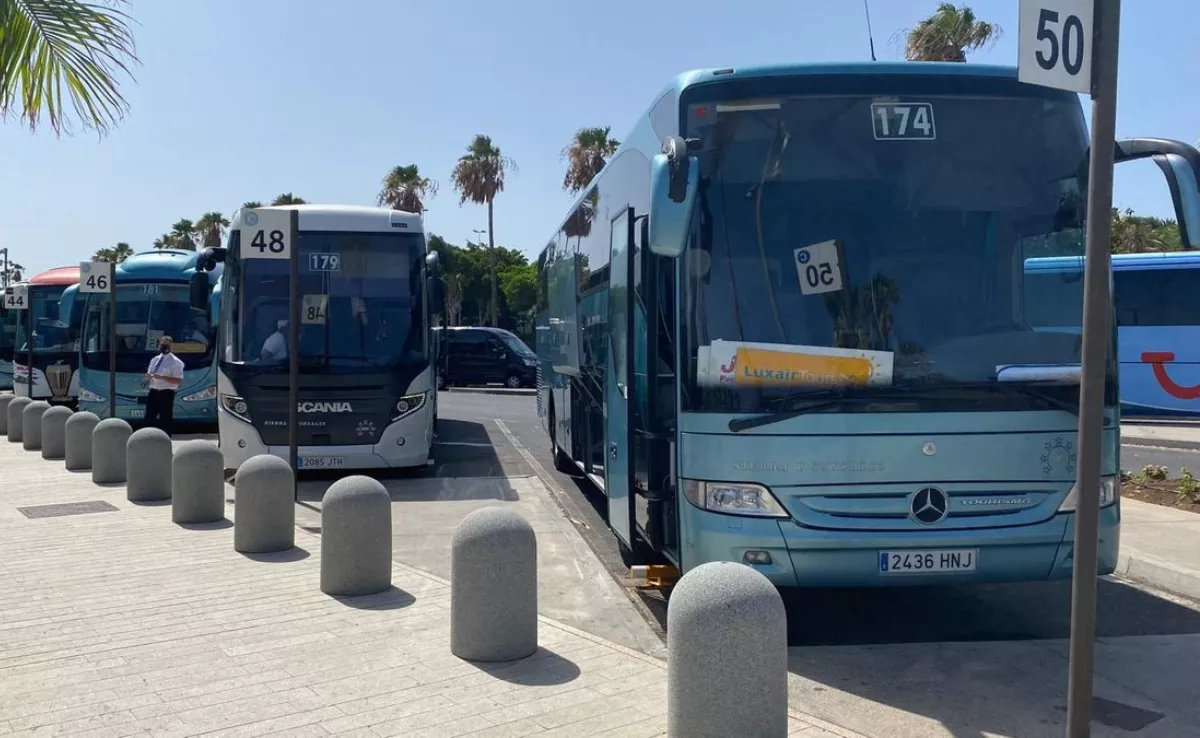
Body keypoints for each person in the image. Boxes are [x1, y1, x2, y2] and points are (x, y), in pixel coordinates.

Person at [144, 335, 184, 435]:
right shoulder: (154, 360)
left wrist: (162, 377)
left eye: (166, 344)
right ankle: (147, 440)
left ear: (171, 345)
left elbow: (178, 381)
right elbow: (149, 374)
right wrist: (148, 376)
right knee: (149, 418)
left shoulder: (176, 362)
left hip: (166, 393)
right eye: (162, 344)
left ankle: (165, 441)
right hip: (153, 392)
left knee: (165, 419)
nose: (164, 347)